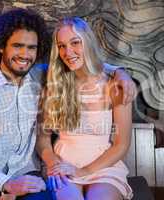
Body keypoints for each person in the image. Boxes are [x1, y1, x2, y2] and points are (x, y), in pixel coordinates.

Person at [0, 9, 136, 200]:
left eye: (31, 48)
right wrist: (6, 184)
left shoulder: (41, 75)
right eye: (17, 46)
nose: (25, 54)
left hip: (25, 173)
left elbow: (83, 64)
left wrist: (121, 73)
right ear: (1, 46)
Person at [36, 17, 133, 200]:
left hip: (104, 166)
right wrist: (52, 162)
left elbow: (122, 144)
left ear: (87, 42)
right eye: (62, 46)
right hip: (64, 163)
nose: (68, 52)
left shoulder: (115, 86)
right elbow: (42, 139)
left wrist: (84, 171)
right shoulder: (54, 87)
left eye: (75, 42)